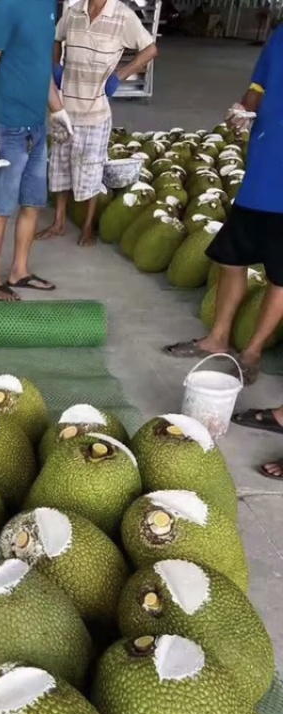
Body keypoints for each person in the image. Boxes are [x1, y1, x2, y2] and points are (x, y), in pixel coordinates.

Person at [163, 26, 283, 480]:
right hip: (261, 176)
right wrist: (243, 108)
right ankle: (219, 338)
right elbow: (260, 85)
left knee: (280, 278)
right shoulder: (279, 36)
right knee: (230, 258)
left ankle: (250, 352)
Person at [0, 0, 73, 302]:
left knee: (32, 204)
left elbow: (40, 68)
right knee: (2, 208)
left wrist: (58, 111)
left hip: (37, 127)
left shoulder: (48, 7)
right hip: (9, 128)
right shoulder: (5, 7)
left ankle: (19, 271)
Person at [39, 0, 157, 246]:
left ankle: (88, 226)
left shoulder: (122, 16)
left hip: (95, 112)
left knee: (91, 171)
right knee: (60, 167)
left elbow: (150, 49)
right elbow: (56, 37)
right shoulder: (74, 12)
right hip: (65, 108)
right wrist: (56, 64)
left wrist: (120, 75)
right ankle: (59, 222)